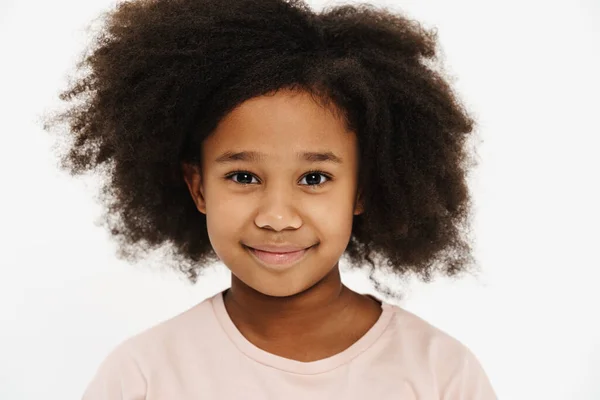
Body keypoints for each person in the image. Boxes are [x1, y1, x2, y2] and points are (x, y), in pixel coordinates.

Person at [42, 0, 497, 398]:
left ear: (360, 189)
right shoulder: (142, 376)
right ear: (199, 187)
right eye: (243, 176)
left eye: (315, 178)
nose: (277, 217)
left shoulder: (440, 374)